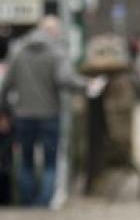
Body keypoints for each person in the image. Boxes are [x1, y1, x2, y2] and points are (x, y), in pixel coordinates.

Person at [0, 16, 86, 207]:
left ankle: (28, 202)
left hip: (23, 115)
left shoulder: (18, 50)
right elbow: (65, 79)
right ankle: (43, 205)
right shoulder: (56, 52)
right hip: (49, 114)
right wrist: (87, 85)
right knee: (50, 161)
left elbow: (6, 85)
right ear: (53, 31)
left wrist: (4, 111)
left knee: (26, 160)